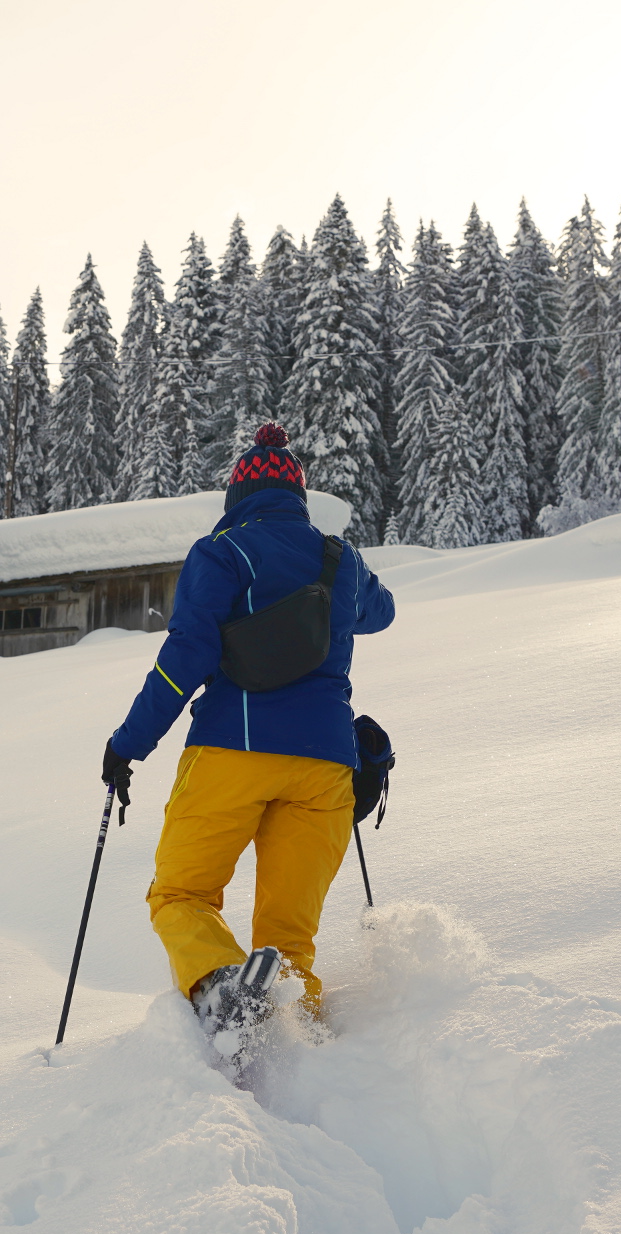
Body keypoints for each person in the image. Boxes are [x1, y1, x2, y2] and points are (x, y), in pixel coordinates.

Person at [102, 422, 396, 1037]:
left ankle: (218, 986)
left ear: (236, 498)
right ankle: (297, 1052)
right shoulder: (338, 559)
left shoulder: (222, 554)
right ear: (299, 497)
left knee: (180, 894)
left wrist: (127, 745)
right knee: (289, 939)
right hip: (325, 767)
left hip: (230, 753)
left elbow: (185, 658)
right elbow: (382, 612)